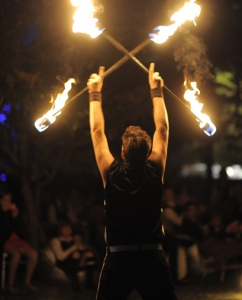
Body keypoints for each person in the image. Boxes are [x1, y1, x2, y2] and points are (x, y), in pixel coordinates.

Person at [87, 63, 177, 299]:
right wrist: (156, 90)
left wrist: (94, 93)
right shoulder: (156, 168)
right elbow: (163, 128)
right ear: (148, 153)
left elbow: (97, 132)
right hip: (152, 258)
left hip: (119, 260)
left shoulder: (110, 172)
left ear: (122, 152)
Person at [0, 191, 38, 293]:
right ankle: (10, 284)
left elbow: (20, 230)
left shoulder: (14, 212)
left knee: (34, 254)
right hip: (5, 240)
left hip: (16, 239)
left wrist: (16, 217)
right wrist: (5, 215)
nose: (8, 202)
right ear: (0, 201)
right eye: (5, 200)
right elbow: (0, 231)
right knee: (16, 255)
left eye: (9, 200)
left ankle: (27, 282)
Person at [50, 221, 97, 291]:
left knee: (89, 254)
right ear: (60, 230)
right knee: (76, 254)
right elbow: (60, 257)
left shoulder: (73, 239)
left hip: (77, 262)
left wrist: (78, 242)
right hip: (64, 263)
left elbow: (81, 250)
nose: (67, 230)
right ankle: (75, 284)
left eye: (69, 228)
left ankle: (90, 283)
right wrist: (74, 247)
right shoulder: (56, 241)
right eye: (64, 228)